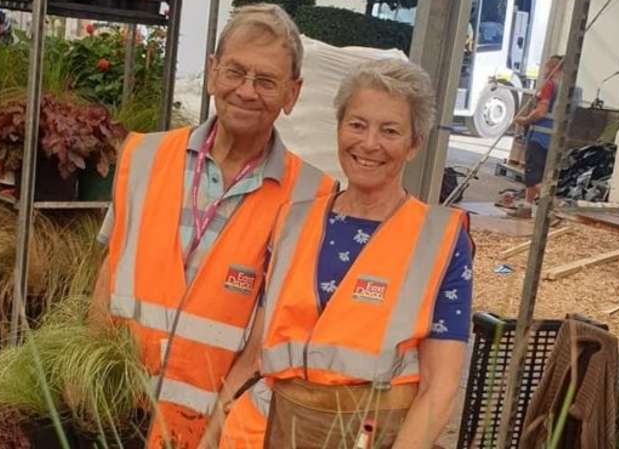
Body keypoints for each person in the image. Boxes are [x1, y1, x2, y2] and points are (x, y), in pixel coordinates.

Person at [92, 3, 337, 449]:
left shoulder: (313, 197)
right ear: (212, 71)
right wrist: (86, 383)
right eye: (235, 72)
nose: (246, 90)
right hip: (112, 415)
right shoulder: (144, 157)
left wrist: (219, 427)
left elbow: (271, 334)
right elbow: (109, 274)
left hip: (212, 431)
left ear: (292, 94)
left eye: (266, 81)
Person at [202, 58, 474, 449]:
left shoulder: (440, 240)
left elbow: (440, 388)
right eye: (357, 124)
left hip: (370, 436)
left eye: (390, 130)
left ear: (414, 145)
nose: (369, 144)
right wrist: (212, 434)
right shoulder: (292, 224)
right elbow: (256, 353)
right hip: (264, 433)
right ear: (339, 128)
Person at [511, 55, 563, 218]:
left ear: (552, 68)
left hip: (540, 136)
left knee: (533, 176)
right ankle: (527, 206)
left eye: (546, 67)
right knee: (539, 173)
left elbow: (541, 111)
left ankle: (555, 204)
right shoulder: (569, 88)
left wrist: (524, 120)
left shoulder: (549, 85)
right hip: (555, 139)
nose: (544, 70)